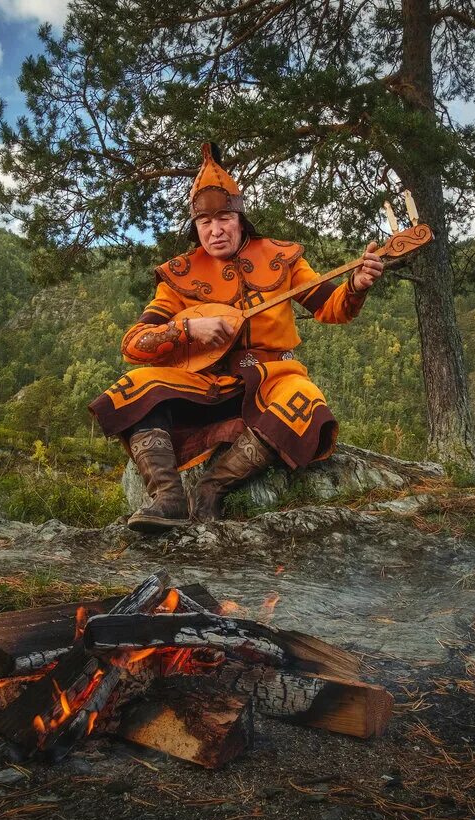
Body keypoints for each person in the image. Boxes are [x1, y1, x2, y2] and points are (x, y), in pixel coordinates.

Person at [88, 143, 384, 532]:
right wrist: (187, 328)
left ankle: (211, 492)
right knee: (135, 385)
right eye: (205, 222)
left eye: (224, 217)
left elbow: (331, 308)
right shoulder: (180, 274)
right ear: (195, 227)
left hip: (272, 377)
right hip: (206, 382)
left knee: (305, 398)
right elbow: (134, 343)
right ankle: (169, 498)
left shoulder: (281, 256)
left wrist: (356, 285)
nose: (215, 230)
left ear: (241, 217)